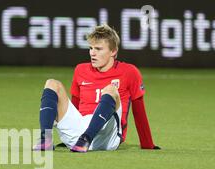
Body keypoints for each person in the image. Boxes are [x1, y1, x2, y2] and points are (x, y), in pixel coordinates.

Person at [32, 24, 160, 152]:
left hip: (107, 137)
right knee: (52, 83)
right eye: (91, 48)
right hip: (78, 132)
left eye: (98, 49)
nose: (92, 53)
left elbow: (139, 112)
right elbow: (75, 106)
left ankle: (86, 139)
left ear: (113, 51)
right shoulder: (80, 70)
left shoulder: (129, 72)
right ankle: (45, 139)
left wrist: (147, 144)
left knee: (110, 89)